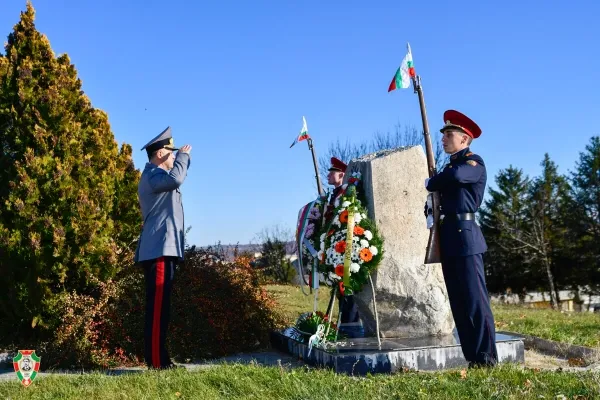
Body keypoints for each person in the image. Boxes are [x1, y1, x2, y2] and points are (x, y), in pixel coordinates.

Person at [425, 110, 498, 368]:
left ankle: (487, 358)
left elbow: (455, 178)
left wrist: (432, 181)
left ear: (464, 139)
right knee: (458, 302)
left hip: (466, 239)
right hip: (448, 239)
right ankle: (473, 358)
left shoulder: (473, 163)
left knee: (476, 302)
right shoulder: (450, 166)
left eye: (449, 134)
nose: (443, 138)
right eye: (443, 134)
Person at [135, 126, 192, 370]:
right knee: (158, 310)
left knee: (161, 309)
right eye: (171, 152)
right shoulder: (153, 175)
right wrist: (184, 157)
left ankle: (161, 359)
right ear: (160, 154)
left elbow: (178, 176)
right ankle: (157, 363)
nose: (174, 156)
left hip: (164, 250)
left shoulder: (159, 177)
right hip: (158, 250)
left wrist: (181, 160)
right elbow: (177, 177)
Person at [324, 157, 364, 338]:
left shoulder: (348, 192)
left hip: (346, 243)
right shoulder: (333, 195)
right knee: (338, 284)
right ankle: (344, 321)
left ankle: (351, 324)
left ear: (341, 175)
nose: (328, 175)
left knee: (347, 284)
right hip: (334, 244)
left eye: (332, 172)